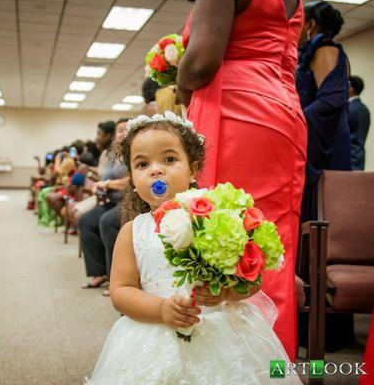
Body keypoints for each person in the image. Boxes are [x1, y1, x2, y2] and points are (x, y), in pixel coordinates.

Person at [86, 115, 299, 384]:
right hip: (155, 330)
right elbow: (121, 291)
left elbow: (252, 278)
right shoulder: (132, 231)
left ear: (193, 169)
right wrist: (162, 309)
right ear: (131, 178)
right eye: (142, 164)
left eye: (169, 159)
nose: (156, 170)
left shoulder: (220, 217)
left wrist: (226, 292)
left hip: (221, 330)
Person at [175, 0, 306, 360]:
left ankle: (223, 366)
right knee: (271, 245)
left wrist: (180, 84)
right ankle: (274, 366)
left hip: (237, 113)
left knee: (220, 239)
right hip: (284, 117)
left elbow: (201, 62)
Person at [296, 0, 351, 221]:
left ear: (310, 25)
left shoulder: (326, 48)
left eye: (298, 22)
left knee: (322, 210)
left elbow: (331, 100)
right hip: (315, 136)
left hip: (325, 143)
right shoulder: (309, 52)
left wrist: (294, 119)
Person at [80, 118, 130, 296]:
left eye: (126, 129)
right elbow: (104, 178)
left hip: (128, 201)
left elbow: (131, 181)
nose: (122, 132)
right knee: (85, 221)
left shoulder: (135, 152)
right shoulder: (113, 155)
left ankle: (114, 279)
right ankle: (99, 272)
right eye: (119, 130)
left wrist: (107, 184)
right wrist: (99, 186)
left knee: (107, 222)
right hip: (109, 200)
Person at [348, 76, 370, 170]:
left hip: (348, 159)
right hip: (359, 158)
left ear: (351, 88)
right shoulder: (364, 109)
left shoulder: (348, 109)